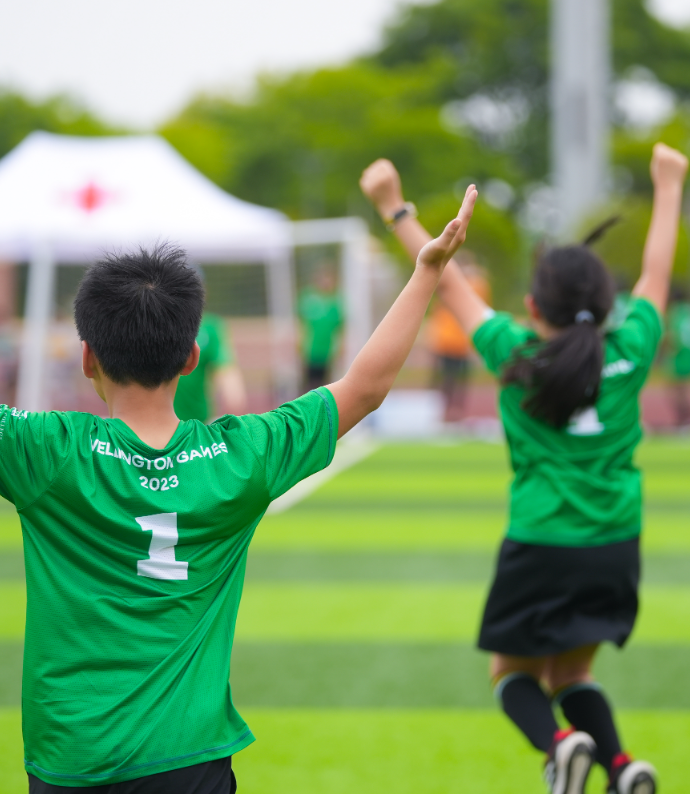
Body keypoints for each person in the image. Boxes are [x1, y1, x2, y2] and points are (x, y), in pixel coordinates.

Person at [9, 185, 478, 793]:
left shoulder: (43, 450)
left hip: (71, 759)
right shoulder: (241, 457)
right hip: (192, 759)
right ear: (192, 357)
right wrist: (427, 272)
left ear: (87, 357)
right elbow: (364, 386)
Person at [360, 144, 688, 794]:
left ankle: (561, 746)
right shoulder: (633, 345)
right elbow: (655, 272)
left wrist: (393, 206)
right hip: (616, 547)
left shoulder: (515, 353)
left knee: (513, 677)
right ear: (608, 303)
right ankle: (621, 769)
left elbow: (446, 279)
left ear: (533, 308)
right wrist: (670, 187)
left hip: (542, 543)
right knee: (573, 676)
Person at [426, 253, 491, 421]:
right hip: (447, 340)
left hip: (463, 340)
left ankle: (456, 411)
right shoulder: (448, 283)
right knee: (446, 378)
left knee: (461, 379)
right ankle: (444, 411)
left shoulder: (475, 284)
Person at [174, 312, 247, 422]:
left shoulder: (209, 329)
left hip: (198, 424)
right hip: (156, 425)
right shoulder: (150, 324)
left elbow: (229, 378)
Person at [298, 264, 344, 391]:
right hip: (310, 350)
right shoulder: (309, 299)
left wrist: (340, 347)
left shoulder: (335, 302)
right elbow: (302, 324)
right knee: (307, 383)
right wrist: (299, 342)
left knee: (324, 385)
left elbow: (340, 328)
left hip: (327, 351)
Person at [665, 290, 690, 426]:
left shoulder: (674, 312)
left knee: (677, 390)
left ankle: (683, 420)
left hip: (679, 357)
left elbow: (673, 337)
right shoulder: (688, 311)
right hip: (688, 354)